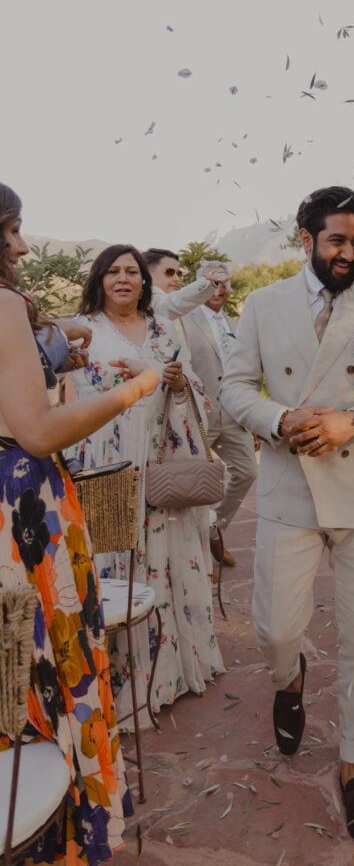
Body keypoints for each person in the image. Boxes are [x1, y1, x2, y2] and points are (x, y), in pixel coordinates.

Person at [221, 186, 354, 848]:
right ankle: (290, 677)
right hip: (286, 487)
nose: (349, 252)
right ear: (306, 239)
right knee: (276, 627)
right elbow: (233, 386)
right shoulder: (261, 302)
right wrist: (279, 418)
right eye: (337, 240)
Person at [0, 184, 159, 863]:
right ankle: (57, 830)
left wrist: (54, 345)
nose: (22, 246)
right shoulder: (3, 303)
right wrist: (134, 389)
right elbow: (35, 430)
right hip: (23, 510)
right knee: (49, 658)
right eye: (11, 230)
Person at [67, 245, 224, 725]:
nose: (123, 279)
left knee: (164, 561)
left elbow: (193, 391)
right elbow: (70, 394)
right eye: (112, 272)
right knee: (113, 564)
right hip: (106, 462)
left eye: (132, 272)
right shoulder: (85, 329)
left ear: (144, 283)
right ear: (99, 279)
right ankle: (118, 678)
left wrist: (175, 383)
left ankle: (170, 672)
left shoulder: (162, 327)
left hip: (158, 462)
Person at [185, 267, 258, 566]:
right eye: (213, 283)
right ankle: (192, 552)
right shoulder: (182, 322)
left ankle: (214, 529)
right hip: (197, 416)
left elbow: (248, 374)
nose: (221, 289)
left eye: (225, 284)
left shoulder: (237, 326)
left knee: (248, 472)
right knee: (191, 485)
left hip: (234, 415)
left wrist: (253, 418)